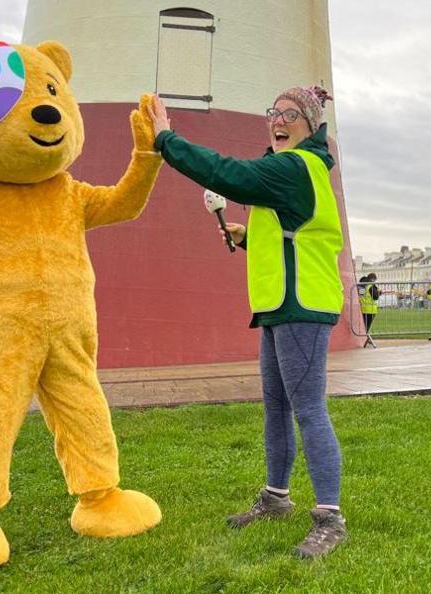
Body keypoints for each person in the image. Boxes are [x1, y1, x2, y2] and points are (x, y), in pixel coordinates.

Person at [147, 89, 347, 559]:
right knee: (276, 408)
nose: (278, 121)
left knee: (308, 411)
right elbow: (289, 229)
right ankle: (276, 499)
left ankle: (330, 519)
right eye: (273, 113)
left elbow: (227, 174)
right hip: (279, 305)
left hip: (302, 305)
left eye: (290, 115)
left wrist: (165, 139)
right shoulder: (294, 168)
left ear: (311, 124)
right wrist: (247, 232)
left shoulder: (295, 166)